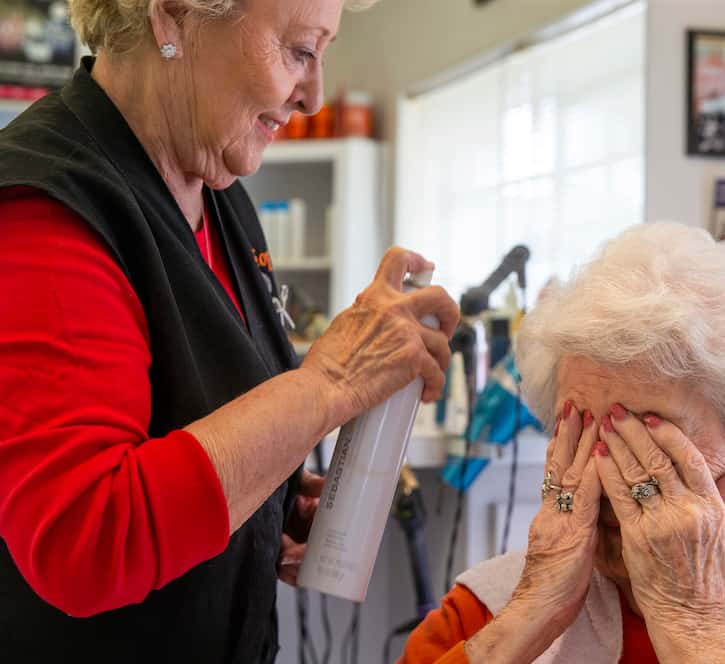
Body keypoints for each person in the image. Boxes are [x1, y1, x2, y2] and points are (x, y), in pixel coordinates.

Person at [0, 0, 459, 661]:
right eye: (300, 51)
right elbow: (89, 540)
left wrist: (267, 502)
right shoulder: (47, 210)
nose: (314, 95)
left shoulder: (216, 191)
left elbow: (195, 429)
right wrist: (329, 383)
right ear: (173, 18)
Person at [401, 222, 725, 664]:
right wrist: (528, 617)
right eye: (582, 434)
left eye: (648, 444)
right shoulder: (486, 609)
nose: (607, 480)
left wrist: (690, 625)